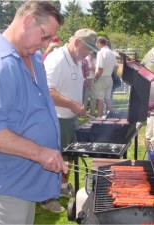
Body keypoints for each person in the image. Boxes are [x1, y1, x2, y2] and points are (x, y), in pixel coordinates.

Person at [0, 1, 67, 224]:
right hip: (5, 186)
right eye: (45, 36)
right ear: (28, 21)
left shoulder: (32, 57)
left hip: (25, 181)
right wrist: (41, 153)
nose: (45, 44)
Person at [43, 28, 99, 213]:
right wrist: (73, 105)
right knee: (53, 159)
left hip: (70, 117)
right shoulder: (56, 59)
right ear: (76, 43)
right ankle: (47, 197)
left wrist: (77, 107)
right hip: (55, 118)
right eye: (87, 49)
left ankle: (62, 187)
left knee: (69, 156)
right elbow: (47, 91)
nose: (89, 54)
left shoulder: (77, 60)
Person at [93, 36, 118, 117]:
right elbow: (116, 67)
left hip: (101, 77)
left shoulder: (101, 52)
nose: (96, 45)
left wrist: (96, 78)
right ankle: (110, 117)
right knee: (107, 98)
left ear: (99, 43)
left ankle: (99, 119)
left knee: (99, 100)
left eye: (96, 43)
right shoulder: (111, 52)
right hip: (109, 77)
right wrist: (114, 75)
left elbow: (100, 69)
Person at [86, 51, 97, 115]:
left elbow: (94, 69)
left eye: (92, 53)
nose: (90, 54)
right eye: (90, 53)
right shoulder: (86, 58)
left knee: (93, 96)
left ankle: (92, 113)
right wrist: (90, 68)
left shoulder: (96, 59)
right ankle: (83, 112)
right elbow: (84, 68)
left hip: (93, 78)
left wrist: (88, 68)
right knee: (85, 96)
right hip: (86, 79)